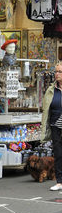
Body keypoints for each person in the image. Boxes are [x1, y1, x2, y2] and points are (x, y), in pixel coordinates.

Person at [41, 62, 62, 191]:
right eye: (56, 72)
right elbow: (46, 109)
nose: (57, 74)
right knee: (58, 153)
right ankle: (60, 181)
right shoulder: (50, 90)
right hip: (56, 125)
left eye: (59, 72)